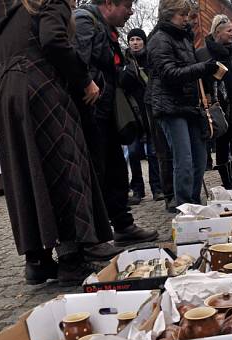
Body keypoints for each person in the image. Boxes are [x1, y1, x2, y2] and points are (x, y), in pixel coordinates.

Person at [0, 0, 114, 285]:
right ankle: (71, 258)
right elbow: (53, 40)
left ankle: (37, 261)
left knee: (25, 173)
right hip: (41, 87)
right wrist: (84, 80)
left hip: (6, 93)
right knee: (63, 165)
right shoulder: (45, 2)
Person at [74, 0, 158, 245]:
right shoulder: (83, 20)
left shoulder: (102, 27)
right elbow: (78, 61)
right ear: (109, 3)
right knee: (97, 174)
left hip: (107, 111)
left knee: (117, 171)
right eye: (127, 5)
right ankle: (95, 237)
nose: (131, 11)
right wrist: (92, 83)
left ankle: (122, 225)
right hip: (92, 111)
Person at [147, 0, 218, 207]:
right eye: (182, 15)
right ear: (169, 15)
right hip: (169, 106)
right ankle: (185, 206)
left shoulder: (184, 38)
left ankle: (193, 201)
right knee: (184, 159)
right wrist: (202, 68)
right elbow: (169, 73)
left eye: (186, 15)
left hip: (188, 104)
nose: (186, 19)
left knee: (200, 158)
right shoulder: (159, 39)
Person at [196, 14, 232, 189]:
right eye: (229, 30)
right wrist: (204, 99)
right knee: (221, 147)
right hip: (217, 110)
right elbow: (197, 82)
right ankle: (227, 186)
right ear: (218, 32)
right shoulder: (202, 53)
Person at [122, 28, 164, 205]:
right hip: (132, 111)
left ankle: (157, 188)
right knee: (133, 152)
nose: (135, 42)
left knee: (154, 152)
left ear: (144, 42)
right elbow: (121, 83)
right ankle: (137, 189)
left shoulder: (150, 59)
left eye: (138, 39)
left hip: (150, 110)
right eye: (132, 39)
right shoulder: (124, 60)